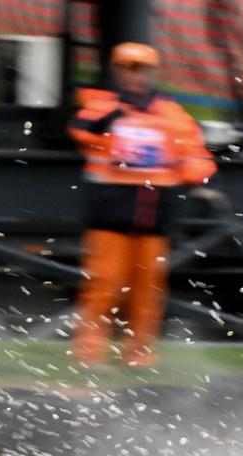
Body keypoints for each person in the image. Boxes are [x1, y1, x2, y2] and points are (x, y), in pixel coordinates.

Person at [68, 41, 217, 368]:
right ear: (117, 72)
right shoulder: (101, 108)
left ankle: (139, 355)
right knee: (103, 286)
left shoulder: (172, 115)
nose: (135, 77)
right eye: (128, 69)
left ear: (153, 73)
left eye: (141, 70)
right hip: (110, 215)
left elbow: (195, 155)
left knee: (147, 292)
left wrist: (197, 174)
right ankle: (89, 354)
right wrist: (118, 114)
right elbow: (80, 130)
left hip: (155, 218)